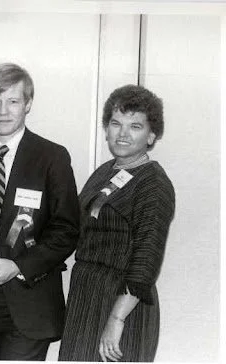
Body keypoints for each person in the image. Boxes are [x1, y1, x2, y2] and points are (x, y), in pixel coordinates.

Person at [0, 63, 80, 360]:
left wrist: (19, 267)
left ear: (28, 104)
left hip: (29, 302)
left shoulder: (52, 157)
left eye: (13, 101)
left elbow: (67, 229)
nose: (3, 111)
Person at [58, 85, 175, 362]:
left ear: (152, 135)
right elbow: (75, 227)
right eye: (115, 124)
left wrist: (116, 319)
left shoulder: (153, 183)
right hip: (86, 296)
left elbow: (147, 259)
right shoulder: (104, 172)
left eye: (135, 126)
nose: (122, 134)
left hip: (122, 304)